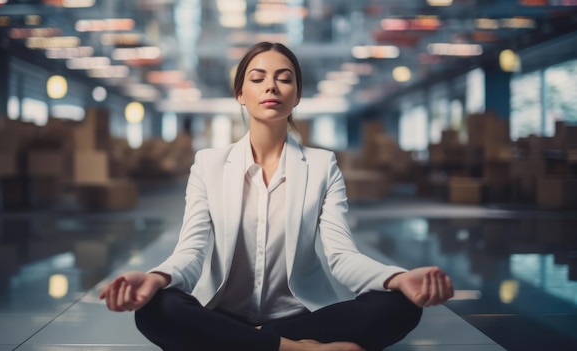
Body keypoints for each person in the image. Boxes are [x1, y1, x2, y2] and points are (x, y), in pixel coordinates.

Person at [100, 41, 454, 351]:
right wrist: (155, 278)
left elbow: (342, 256)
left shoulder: (321, 165)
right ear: (240, 93)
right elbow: (190, 253)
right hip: (224, 312)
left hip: (301, 316)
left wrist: (399, 278)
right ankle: (297, 350)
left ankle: (243, 343)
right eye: (257, 78)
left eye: (284, 78)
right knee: (157, 308)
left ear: (297, 95)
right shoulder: (208, 164)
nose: (271, 85)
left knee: (400, 306)